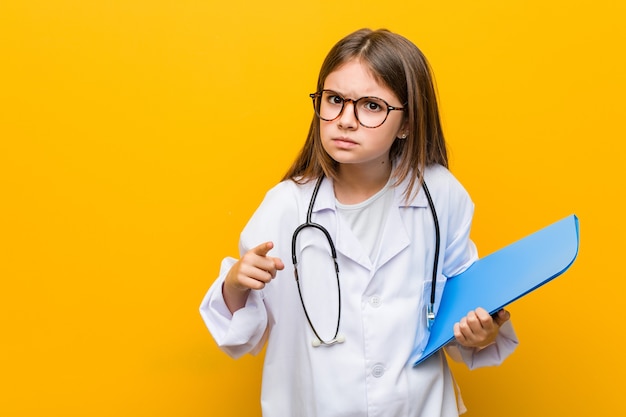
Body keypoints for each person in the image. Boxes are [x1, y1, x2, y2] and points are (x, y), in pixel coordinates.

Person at [200, 28, 518, 417]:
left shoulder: (439, 194)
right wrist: (235, 285)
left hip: (419, 406)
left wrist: (481, 333)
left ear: (406, 123)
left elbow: (458, 316)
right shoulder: (286, 206)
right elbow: (242, 335)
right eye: (334, 100)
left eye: (370, 106)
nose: (345, 120)